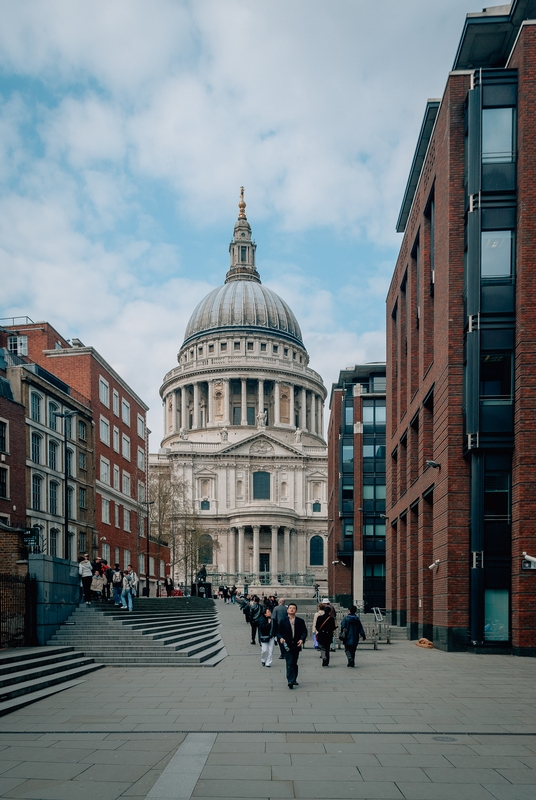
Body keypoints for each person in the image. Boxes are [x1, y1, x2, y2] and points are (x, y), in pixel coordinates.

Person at [278, 602, 307, 689]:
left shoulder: (300, 621)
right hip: (287, 644)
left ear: (296, 610)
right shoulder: (283, 621)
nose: (291, 609)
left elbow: (304, 631)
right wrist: (281, 638)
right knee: (289, 662)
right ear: (287, 610)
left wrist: (302, 639)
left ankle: (294, 679)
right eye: (290, 608)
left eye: (293, 608)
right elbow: (278, 632)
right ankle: (290, 680)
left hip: (297, 644)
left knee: (294, 662)